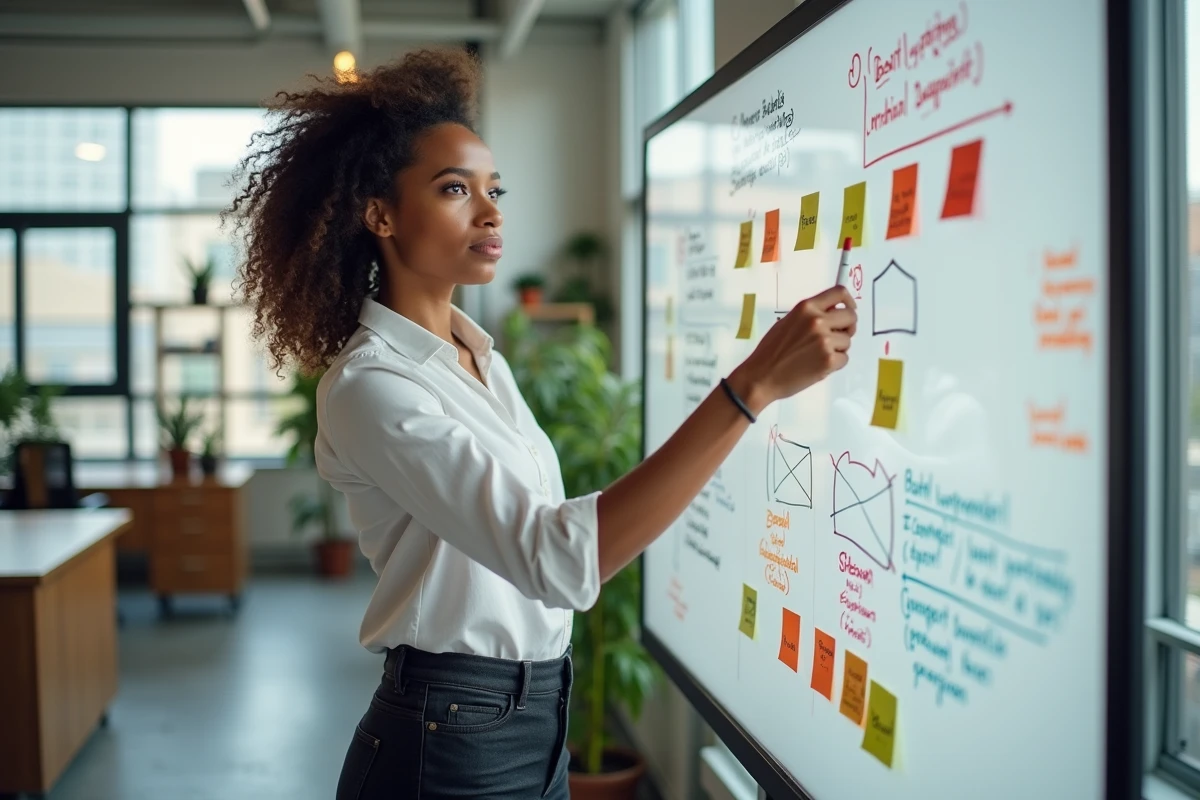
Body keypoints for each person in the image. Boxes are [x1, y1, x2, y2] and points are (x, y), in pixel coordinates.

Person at [230, 48, 856, 800]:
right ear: (380, 214)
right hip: (449, 738)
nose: (491, 211)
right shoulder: (370, 387)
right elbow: (557, 559)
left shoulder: (480, 357)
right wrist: (751, 387)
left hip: (535, 713)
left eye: (495, 189)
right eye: (455, 189)